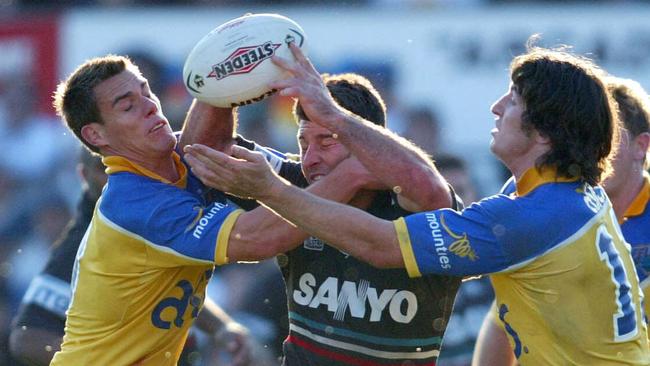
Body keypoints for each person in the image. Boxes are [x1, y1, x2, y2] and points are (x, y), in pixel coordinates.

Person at [185, 42, 650, 364]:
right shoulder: (542, 196)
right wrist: (222, 83)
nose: (494, 108)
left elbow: (387, 244)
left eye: (511, 101)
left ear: (546, 129)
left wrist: (272, 190)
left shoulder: (533, 217)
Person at [48, 53, 415, 365]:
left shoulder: (167, 163)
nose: (149, 106)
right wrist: (352, 174)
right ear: (96, 136)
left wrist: (230, 65)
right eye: (128, 106)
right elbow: (260, 238)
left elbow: (209, 144)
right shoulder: (138, 204)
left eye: (146, 91)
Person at [186, 72, 462, 365]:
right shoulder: (299, 180)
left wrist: (350, 159)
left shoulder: (409, 197)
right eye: (303, 143)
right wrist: (221, 82)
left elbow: (431, 189)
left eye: (327, 142)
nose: (310, 158)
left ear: (368, 142)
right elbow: (200, 153)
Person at [7, 149, 249, 366]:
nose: (115, 176)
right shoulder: (85, 241)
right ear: (84, 177)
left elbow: (166, 285)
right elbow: (26, 338)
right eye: (104, 168)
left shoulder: (143, 216)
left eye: (126, 165)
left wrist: (221, 327)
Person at [471, 75, 650, 366]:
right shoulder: (539, 203)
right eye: (586, 135)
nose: (594, 148)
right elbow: (504, 319)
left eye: (609, 138)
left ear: (641, 146)